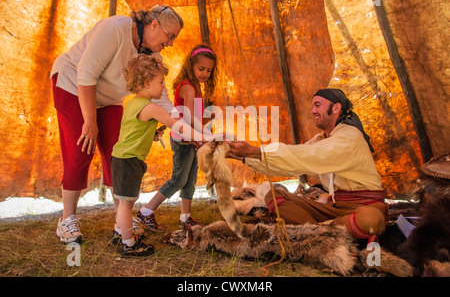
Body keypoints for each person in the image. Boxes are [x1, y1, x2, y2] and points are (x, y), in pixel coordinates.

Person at [51, 5, 184, 244]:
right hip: (73, 84)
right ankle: (67, 219)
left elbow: (160, 98)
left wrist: (179, 124)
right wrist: (90, 121)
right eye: (170, 35)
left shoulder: (153, 55)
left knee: (119, 152)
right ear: (154, 25)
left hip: (108, 99)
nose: (171, 43)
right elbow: (86, 74)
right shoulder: (114, 28)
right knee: (81, 149)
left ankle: (121, 219)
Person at [226, 88, 388, 243]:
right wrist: (242, 155)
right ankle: (324, 231)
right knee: (274, 195)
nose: (313, 111)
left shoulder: (350, 137)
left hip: (365, 208)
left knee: (370, 220)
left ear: (336, 107)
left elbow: (304, 156)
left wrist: (256, 151)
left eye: (317, 105)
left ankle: (323, 230)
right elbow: (292, 161)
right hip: (334, 207)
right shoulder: (322, 139)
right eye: (312, 106)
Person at [111, 54, 216, 256]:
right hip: (129, 160)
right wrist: (206, 137)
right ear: (146, 83)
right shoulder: (151, 107)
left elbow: (133, 128)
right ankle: (129, 243)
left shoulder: (132, 103)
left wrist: (153, 133)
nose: (163, 87)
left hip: (121, 158)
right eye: (160, 82)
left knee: (125, 202)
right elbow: (178, 126)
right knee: (126, 205)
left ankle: (120, 232)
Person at [137, 44, 218, 230]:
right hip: (183, 139)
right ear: (191, 66)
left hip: (193, 139)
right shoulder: (188, 87)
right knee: (179, 179)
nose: (205, 73)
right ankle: (146, 211)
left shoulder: (196, 85)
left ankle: (185, 217)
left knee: (189, 180)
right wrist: (204, 136)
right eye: (201, 69)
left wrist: (202, 133)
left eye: (209, 70)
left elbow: (194, 117)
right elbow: (188, 117)